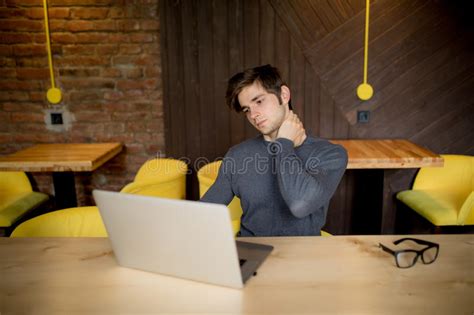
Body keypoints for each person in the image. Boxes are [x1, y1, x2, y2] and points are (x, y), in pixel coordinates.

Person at [201, 64, 348, 236]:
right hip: (250, 254)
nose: (253, 114)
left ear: (284, 95)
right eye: (247, 109)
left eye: (259, 101)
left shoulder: (330, 154)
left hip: (301, 257)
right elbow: (204, 211)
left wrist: (283, 143)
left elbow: (300, 205)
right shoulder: (238, 155)